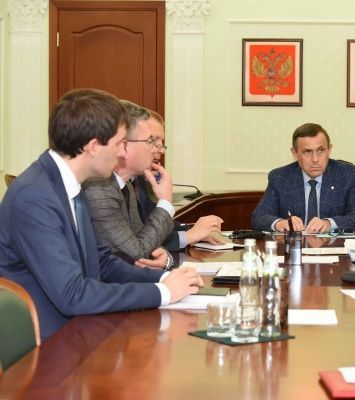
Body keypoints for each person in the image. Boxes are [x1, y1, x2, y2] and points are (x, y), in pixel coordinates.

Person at [0, 89, 203, 340]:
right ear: (94, 147)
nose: (122, 153)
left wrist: (165, 277)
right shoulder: (34, 197)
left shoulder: (69, 185)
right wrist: (163, 292)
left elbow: (102, 262)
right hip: (51, 343)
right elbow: (73, 295)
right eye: (119, 144)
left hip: (83, 328)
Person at [84, 101, 222, 265]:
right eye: (151, 141)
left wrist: (167, 260)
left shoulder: (127, 185)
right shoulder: (98, 189)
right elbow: (137, 254)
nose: (158, 149)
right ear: (124, 146)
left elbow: (142, 241)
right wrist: (165, 203)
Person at [251, 123, 355, 233]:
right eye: (307, 152)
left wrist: (328, 224)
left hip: (333, 246)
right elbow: (259, 217)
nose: (315, 159)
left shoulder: (348, 175)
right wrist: (281, 223)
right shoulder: (280, 178)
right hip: (294, 246)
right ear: (295, 153)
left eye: (321, 150)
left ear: (329, 150)